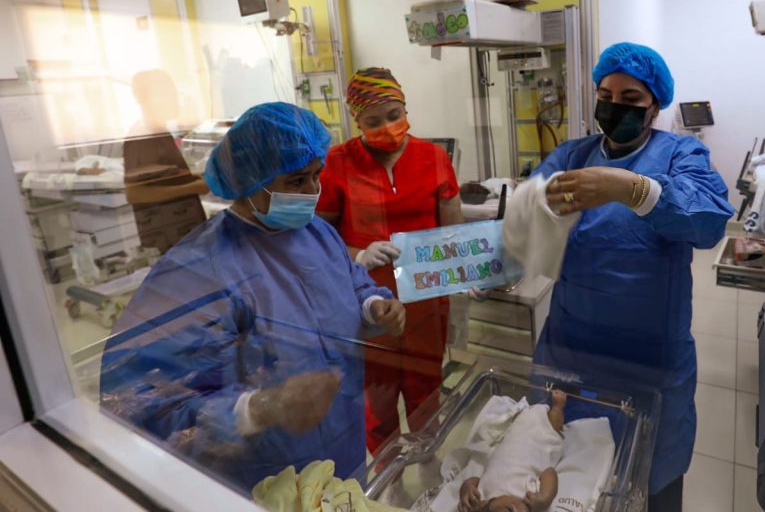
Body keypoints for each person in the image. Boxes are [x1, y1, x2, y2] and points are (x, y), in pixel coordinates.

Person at [100, 102, 406, 492]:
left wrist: (373, 307)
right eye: (297, 181)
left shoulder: (318, 235)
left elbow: (351, 283)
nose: (313, 191)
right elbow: (135, 394)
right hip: (262, 475)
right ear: (251, 180)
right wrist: (259, 408)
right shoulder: (200, 268)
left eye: (316, 175)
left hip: (342, 449)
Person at [518, 43, 734, 512]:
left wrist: (634, 190)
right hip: (571, 349)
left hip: (649, 357)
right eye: (605, 95)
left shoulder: (679, 153)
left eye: (631, 98)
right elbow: (525, 216)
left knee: (650, 475)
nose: (615, 107)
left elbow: (709, 223)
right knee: (565, 474)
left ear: (655, 104)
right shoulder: (572, 156)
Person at [316, 67, 463, 453]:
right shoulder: (337, 163)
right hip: (369, 302)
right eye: (373, 121)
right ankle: (386, 471)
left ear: (405, 108)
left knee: (426, 390)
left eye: (394, 115)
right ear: (357, 121)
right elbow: (318, 237)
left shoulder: (433, 157)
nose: (387, 127)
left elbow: (454, 231)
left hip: (426, 299)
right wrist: (357, 255)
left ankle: (429, 462)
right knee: (377, 397)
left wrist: (468, 270)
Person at [123, 69, 208, 254]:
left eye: (174, 93)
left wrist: (195, 177)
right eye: (168, 94)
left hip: (184, 232)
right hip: (166, 238)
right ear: (147, 99)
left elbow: (164, 175)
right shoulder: (142, 136)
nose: (175, 100)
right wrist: (193, 187)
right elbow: (135, 193)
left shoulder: (161, 132)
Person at [458, 390, 567, 512]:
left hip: (515, 433)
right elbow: (549, 473)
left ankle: (524, 410)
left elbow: (473, 480)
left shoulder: (482, 497)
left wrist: (466, 490)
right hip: (541, 439)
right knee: (553, 422)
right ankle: (558, 407)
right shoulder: (528, 496)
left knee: (520, 419)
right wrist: (545, 498)